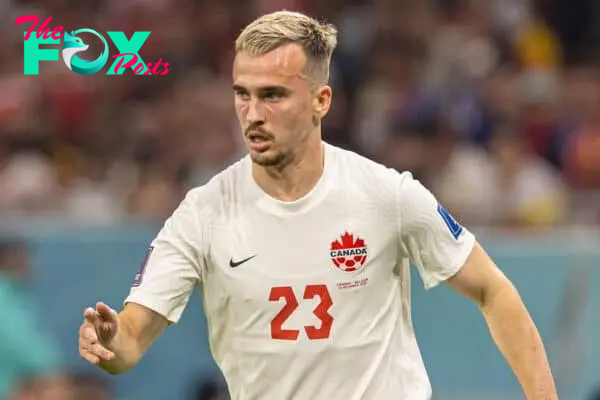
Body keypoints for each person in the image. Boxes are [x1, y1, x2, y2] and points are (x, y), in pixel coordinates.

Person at [78, 11, 557, 400]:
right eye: (242, 95)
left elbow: (494, 291)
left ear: (321, 100)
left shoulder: (386, 195)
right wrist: (110, 341)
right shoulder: (203, 213)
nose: (253, 114)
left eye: (273, 96)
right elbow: (131, 339)